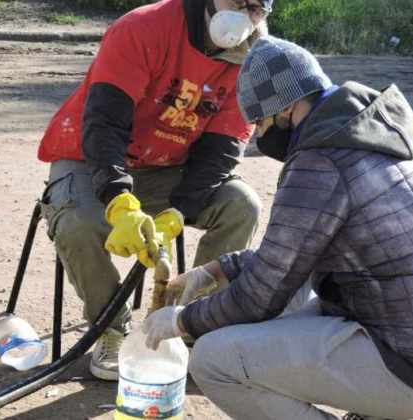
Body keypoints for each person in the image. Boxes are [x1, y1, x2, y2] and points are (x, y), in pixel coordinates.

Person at [143, 36, 413, 419]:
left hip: (411, 367)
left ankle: (390, 406)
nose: (259, 134)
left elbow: (260, 295)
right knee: (288, 299)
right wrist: (216, 269)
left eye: (261, 120)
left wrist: (184, 322)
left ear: (286, 107)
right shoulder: (372, 134)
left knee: (213, 359)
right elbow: (292, 254)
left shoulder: (321, 160)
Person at [36, 0, 274, 380]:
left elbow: (222, 150)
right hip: (89, 157)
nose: (243, 16)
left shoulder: (254, 59)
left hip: (170, 167)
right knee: (78, 224)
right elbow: (104, 124)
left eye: (255, 7)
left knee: (241, 205)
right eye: (236, 0)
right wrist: (117, 200)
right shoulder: (143, 27)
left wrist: (180, 210)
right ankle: (110, 328)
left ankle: (189, 323)